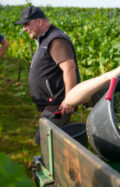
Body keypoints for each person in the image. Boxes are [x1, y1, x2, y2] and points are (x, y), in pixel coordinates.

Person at [15, 6, 81, 144]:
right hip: (52, 104)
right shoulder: (45, 39)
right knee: (52, 140)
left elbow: (69, 68)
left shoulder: (56, 40)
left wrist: (69, 100)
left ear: (39, 21)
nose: (24, 28)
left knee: (43, 139)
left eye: (26, 24)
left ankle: (55, 164)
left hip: (58, 106)